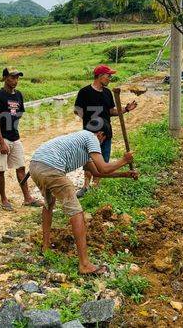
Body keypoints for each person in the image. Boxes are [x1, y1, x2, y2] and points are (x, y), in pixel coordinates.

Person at [29, 121, 137, 275]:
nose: (100, 145)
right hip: (51, 167)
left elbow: (99, 172)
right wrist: (124, 160)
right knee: (76, 211)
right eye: (103, 141)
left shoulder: (80, 141)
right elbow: (104, 167)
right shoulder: (90, 137)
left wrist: (125, 174)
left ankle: (45, 246)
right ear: (100, 135)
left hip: (36, 165)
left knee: (49, 204)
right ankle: (85, 264)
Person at [73, 65, 137, 197]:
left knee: (103, 161)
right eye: (108, 76)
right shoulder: (85, 92)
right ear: (100, 76)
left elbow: (111, 111)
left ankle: (96, 186)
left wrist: (125, 109)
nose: (110, 78)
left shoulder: (107, 93)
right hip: (90, 134)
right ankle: (85, 186)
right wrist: (91, 124)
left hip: (106, 133)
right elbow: (77, 110)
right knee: (89, 160)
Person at [0, 67, 43, 211]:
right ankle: (4, 199)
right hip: (1, 138)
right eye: (12, 77)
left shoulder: (18, 95)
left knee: (21, 167)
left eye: (17, 78)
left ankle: (27, 198)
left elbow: (19, 114)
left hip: (15, 137)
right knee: (1, 169)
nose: (15, 81)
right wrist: (1, 142)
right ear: (5, 78)